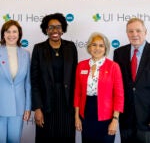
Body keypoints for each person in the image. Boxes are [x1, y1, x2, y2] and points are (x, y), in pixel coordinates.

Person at [30, 13, 78, 142]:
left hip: (67, 103)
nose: (54, 30)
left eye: (58, 27)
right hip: (46, 104)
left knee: (66, 136)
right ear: (46, 30)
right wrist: (37, 108)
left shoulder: (71, 47)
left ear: (63, 30)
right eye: (50, 27)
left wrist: (76, 108)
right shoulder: (39, 48)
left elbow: (75, 78)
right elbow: (34, 81)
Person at [74, 32, 124, 143]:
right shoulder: (81, 65)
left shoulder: (113, 67)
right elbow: (77, 93)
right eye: (94, 45)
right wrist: (77, 117)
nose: (97, 48)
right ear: (89, 47)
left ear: (105, 48)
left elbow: (119, 95)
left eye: (101, 45)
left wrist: (115, 120)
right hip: (86, 114)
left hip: (107, 117)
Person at [113, 17, 150, 143]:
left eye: (138, 31)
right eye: (131, 31)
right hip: (126, 118)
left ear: (145, 32)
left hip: (147, 120)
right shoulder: (119, 53)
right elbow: (117, 86)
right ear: (127, 33)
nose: (134, 34)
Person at [0, 20, 31, 143]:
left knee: (14, 140)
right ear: (3, 34)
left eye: (14, 31)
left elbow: (28, 84)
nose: (11, 35)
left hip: (18, 108)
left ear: (19, 34)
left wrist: (28, 107)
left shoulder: (26, 54)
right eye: (8, 31)